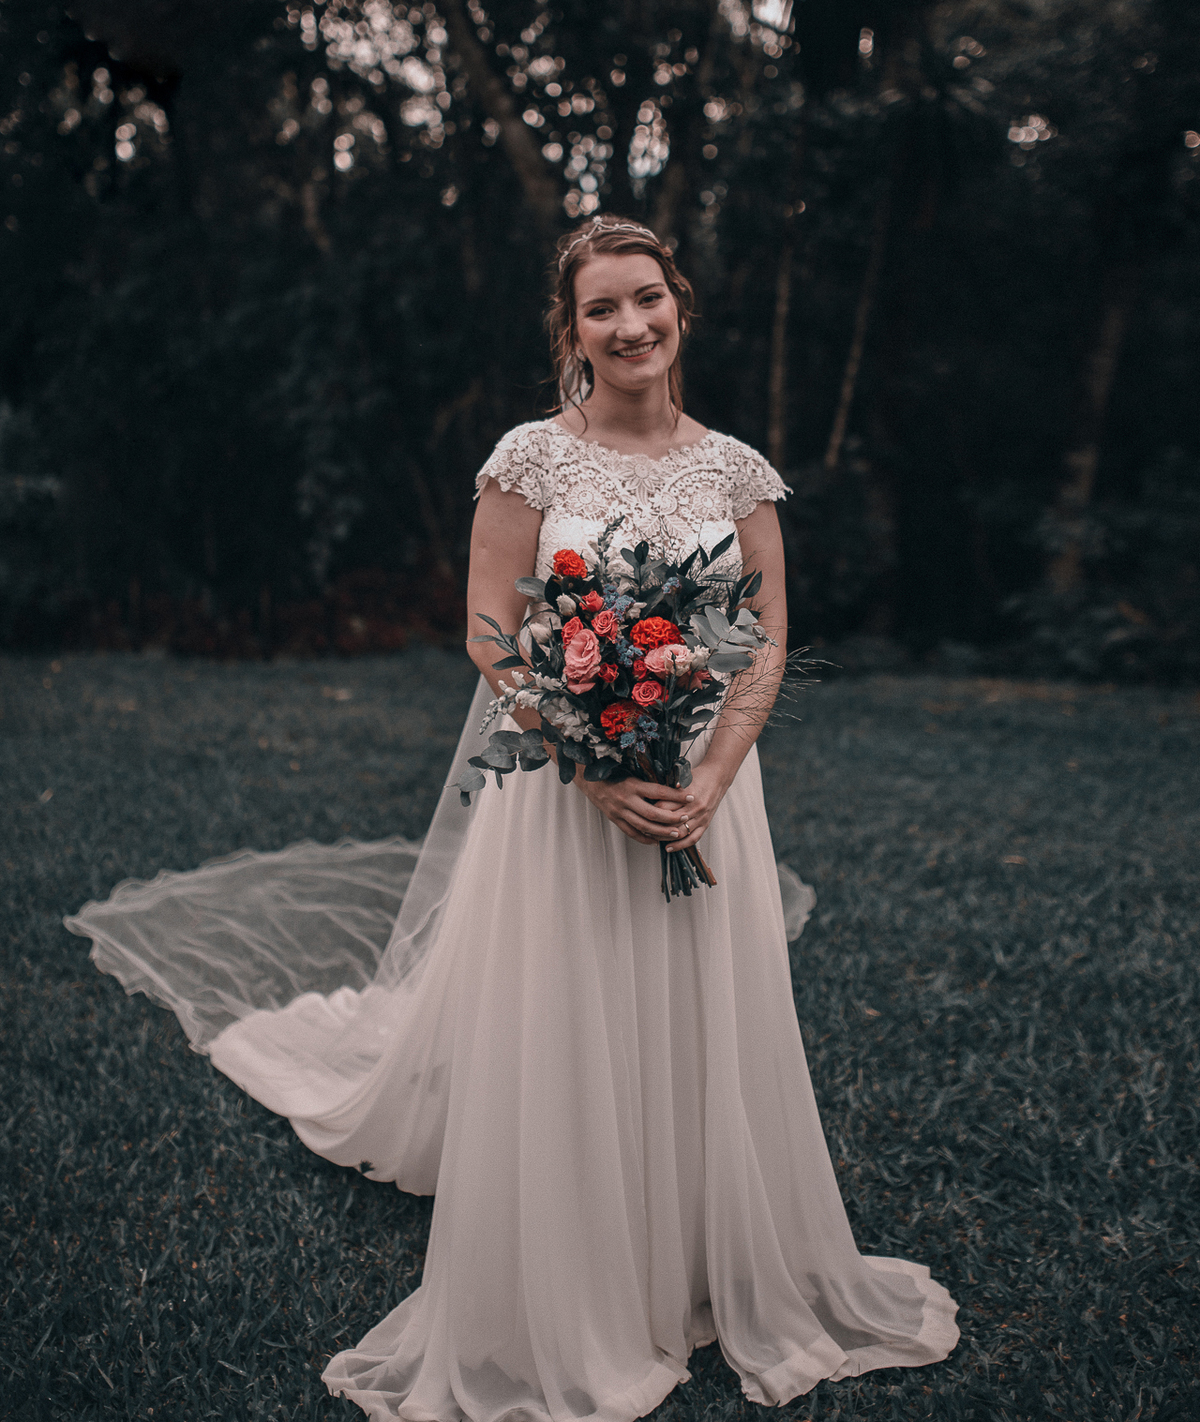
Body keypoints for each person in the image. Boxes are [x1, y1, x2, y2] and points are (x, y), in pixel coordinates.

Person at [66, 216, 958, 1420]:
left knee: (696, 996)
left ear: (680, 304)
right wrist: (589, 761)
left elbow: (763, 641)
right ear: (571, 330)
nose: (631, 326)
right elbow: (491, 629)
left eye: (647, 299)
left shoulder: (739, 473)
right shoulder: (531, 461)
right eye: (603, 309)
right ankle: (580, 1249)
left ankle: (700, 1233)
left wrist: (712, 777)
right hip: (560, 785)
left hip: (706, 784)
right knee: (567, 997)